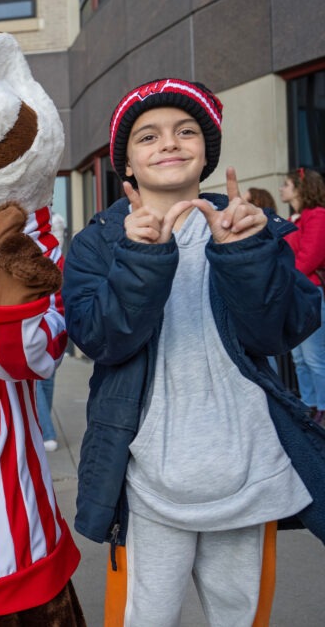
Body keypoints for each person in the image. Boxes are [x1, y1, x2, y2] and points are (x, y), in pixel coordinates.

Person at [63, 78, 325, 626]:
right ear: (127, 163)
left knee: (242, 616)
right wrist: (140, 256)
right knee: (143, 619)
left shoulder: (252, 227)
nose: (169, 143)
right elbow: (99, 339)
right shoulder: (99, 242)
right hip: (147, 480)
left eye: (186, 131)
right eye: (148, 136)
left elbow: (285, 329)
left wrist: (248, 254)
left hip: (248, 472)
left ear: (206, 151)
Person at [279, 168, 325, 420]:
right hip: (294, 290)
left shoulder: (317, 215)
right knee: (299, 358)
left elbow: (308, 259)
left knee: (314, 357)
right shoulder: (296, 218)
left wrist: (282, 277)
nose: (281, 189)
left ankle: (323, 407)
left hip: (307, 291)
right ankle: (310, 405)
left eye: (286, 184)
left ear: (299, 188)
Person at [36, 211, 67, 452]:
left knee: (44, 379)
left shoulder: (52, 251)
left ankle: (45, 431)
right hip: (47, 316)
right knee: (41, 380)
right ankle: (44, 431)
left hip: (52, 315)